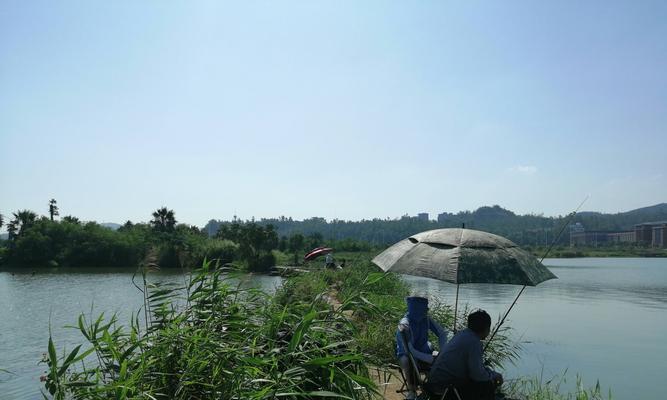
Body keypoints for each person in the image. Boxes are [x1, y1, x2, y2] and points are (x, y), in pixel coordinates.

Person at [424, 309, 503, 400]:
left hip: (434, 382)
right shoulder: (474, 342)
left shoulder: (462, 334)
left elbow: (477, 368)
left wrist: (491, 373)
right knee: (487, 385)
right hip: (444, 388)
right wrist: (493, 376)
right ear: (486, 328)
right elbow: (478, 375)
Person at [396, 297, 449, 400]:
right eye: (424, 308)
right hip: (406, 353)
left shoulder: (427, 320)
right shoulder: (405, 325)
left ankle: (432, 385)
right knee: (407, 360)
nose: (427, 310)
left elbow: (442, 333)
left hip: (423, 349)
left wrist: (442, 352)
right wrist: (428, 358)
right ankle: (412, 390)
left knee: (436, 354)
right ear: (416, 309)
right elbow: (410, 350)